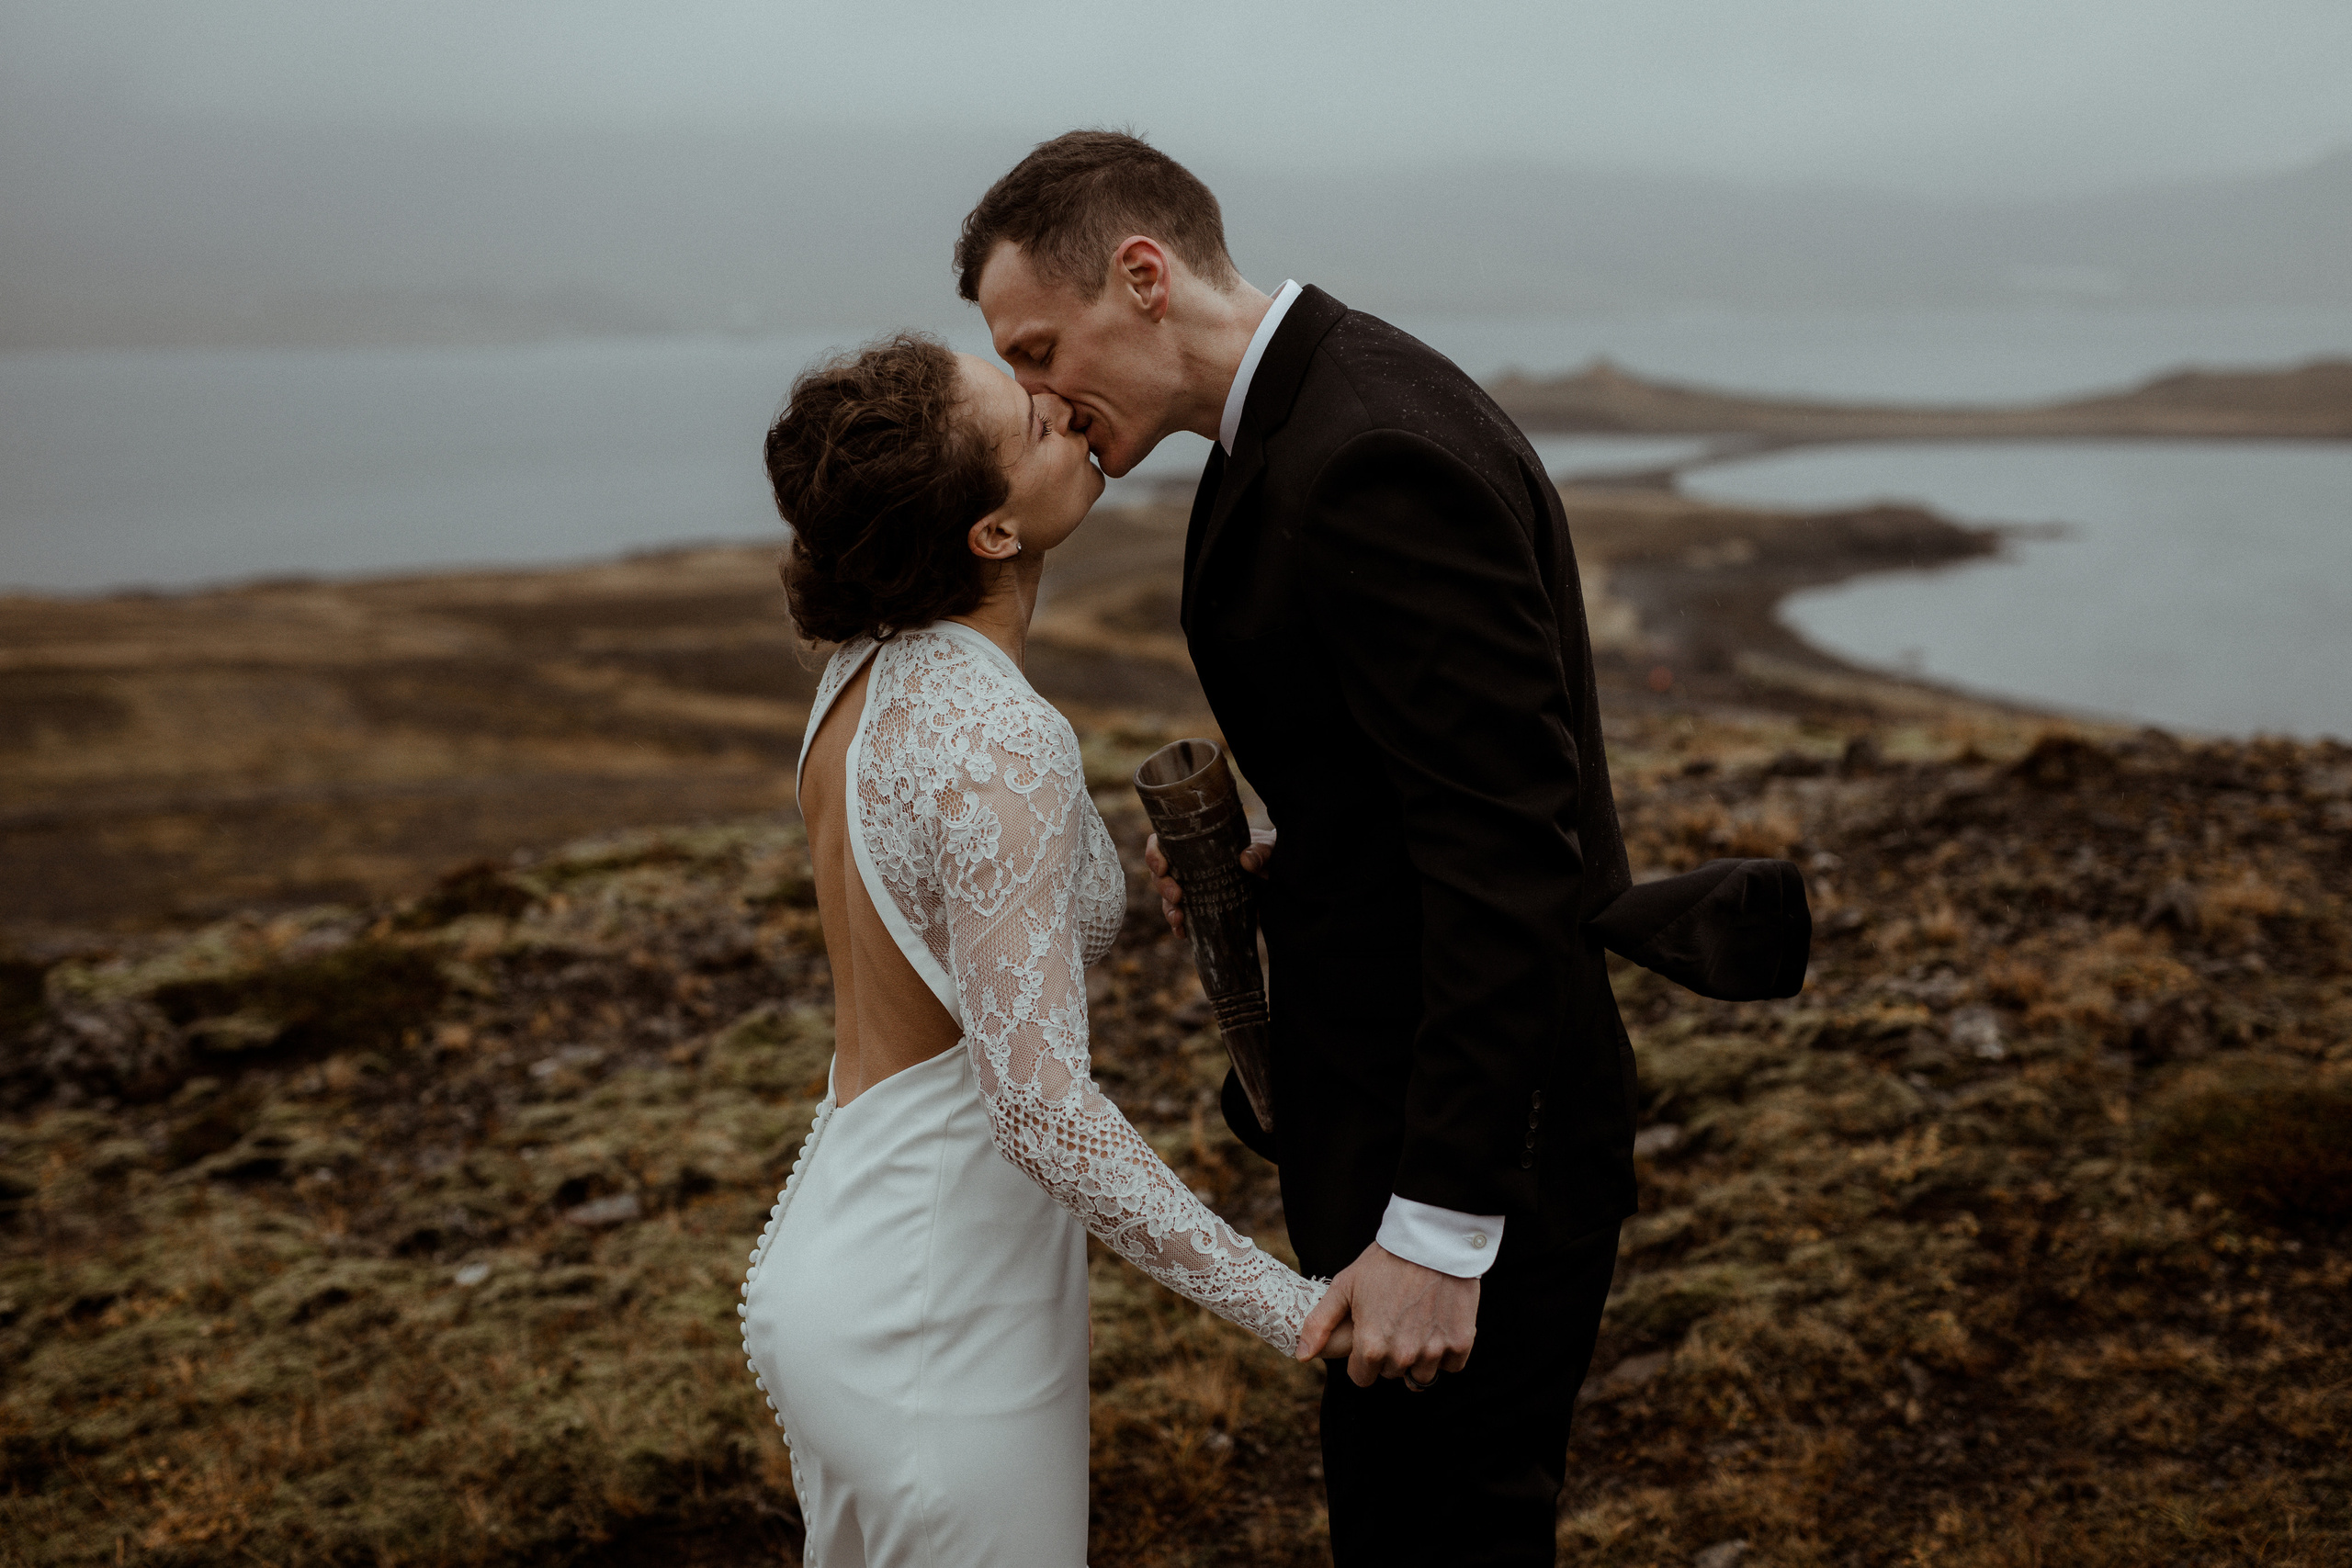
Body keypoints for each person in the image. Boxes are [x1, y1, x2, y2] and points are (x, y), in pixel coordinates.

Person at [958, 130, 1640, 1564]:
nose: (1031, 397)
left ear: (1142, 276)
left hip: (1466, 1157)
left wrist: (1443, 1233)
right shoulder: (1294, 423)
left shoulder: (1373, 453)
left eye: (1037, 346)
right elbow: (1422, 783)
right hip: (1383, 1127)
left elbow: (1514, 853)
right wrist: (1301, 850)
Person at [736, 332, 1348, 1567]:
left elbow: (962, 930)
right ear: (992, 534)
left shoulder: (862, 682)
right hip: (936, 1306)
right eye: (1027, 422)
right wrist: (1287, 1303)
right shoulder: (997, 734)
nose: (1063, 410)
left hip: (848, 1262)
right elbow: (1038, 1113)